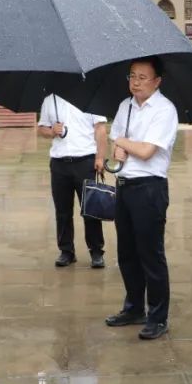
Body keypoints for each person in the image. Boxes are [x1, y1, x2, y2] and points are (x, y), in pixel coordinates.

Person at [103, 56, 179, 340]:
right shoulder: (126, 106)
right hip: (124, 185)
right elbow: (116, 140)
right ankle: (134, 308)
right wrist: (120, 147)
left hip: (149, 188)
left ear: (157, 81)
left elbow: (147, 151)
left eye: (142, 77)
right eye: (132, 76)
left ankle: (158, 317)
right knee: (127, 252)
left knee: (151, 254)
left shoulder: (164, 110)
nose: (135, 82)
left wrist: (123, 143)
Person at [38, 93, 107, 268]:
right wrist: (51, 131)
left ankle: (96, 251)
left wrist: (100, 158)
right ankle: (66, 251)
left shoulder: (91, 95)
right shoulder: (50, 100)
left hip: (85, 162)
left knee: (91, 209)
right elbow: (42, 128)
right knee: (62, 211)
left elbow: (100, 128)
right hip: (59, 163)